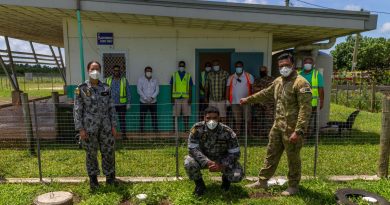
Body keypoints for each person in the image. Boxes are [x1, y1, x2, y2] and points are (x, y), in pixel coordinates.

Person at [241, 53, 312, 196]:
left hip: (292, 129)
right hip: (277, 127)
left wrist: (298, 131)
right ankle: (262, 181)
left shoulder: (301, 83)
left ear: (293, 65)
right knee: (271, 154)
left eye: (286, 65)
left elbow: (305, 109)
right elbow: (265, 93)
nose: (284, 68)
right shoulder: (278, 81)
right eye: (281, 66)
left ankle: (293, 186)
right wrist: (248, 100)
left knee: (293, 158)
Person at [74, 61, 119, 190]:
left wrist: (114, 126)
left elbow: (111, 108)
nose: (95, 71)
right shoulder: (81, 89)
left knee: (109, 152)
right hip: (89, 128)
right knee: (91, 154)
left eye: (97, 69)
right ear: (88, 71)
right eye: (93, 69)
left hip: (106, 127)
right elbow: (77, 110)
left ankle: (110, 178)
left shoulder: (106, 88)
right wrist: (80, 129)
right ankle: (93, 180)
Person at [184, 106, 244, 196]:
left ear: (219, 118)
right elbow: (192, 149)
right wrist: (207, 162)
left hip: (222, 160)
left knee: (237, 175)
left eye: (215, 118)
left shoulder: (227, 131)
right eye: (208, 118)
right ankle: (200, 185)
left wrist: (221, 164)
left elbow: (235, 153)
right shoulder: (197, 129)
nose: (211, 121)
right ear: (204, 118)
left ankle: (226, 181)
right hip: (204, 159)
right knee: (189, 162)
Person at [226, 61, 254, 135]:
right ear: (235, 67)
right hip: (234, 102)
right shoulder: (231, 77)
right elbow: (227, 89)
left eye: (240, 66)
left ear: (242, 67)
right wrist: (227, 100)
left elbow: (252, 88)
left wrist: (253, 98)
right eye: (237, 67)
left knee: (248, 118)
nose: (239, 68)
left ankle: (250, 133)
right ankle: (238, 132)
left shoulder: (249, 76)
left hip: (246, 101)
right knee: (237, 118)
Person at [298, 57, 325, 137]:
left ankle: (306, 136)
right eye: (306, 63)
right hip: (299, 102)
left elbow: (321, 88)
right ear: (303, 64)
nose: (308, 64)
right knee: (300, 119)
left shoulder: (317, 74)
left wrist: (321, 101)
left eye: (310, 63)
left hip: (312, 103)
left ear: (313, 65)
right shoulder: (299, 74)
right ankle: (300, 135)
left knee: (308, 120)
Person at [106, 65, 131, 139]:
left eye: (117, 70)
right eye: (115, 70)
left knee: (122, 120)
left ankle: (124, 135)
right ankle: (111, 135)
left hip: (122, 104)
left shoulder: (124, 80)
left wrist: (128, 102)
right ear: (112, 71)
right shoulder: (108, 80)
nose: (116, 72)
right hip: (111, 104)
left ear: (120, 71)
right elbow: (105, 92)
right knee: (111, 120)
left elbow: (128, 92)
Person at [170, 61, 193, 131]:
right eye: (180, 65)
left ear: (185, 67)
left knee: (186, 114)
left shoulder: (188, 75)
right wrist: (172, 97)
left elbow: (190, 87)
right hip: (176, 98)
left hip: (186, 98)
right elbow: (171, 87)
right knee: (175, 114)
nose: (181, 67)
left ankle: (186, 129)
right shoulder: (174, 75)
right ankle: (174, 129)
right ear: (178, 66)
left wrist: (190, 98)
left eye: (183, 66)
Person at [252, 66, 275, 137]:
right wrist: (265, 89)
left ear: (267, 71)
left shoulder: (272, 79)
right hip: (258, 103)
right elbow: (254, 89)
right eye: (261, 71)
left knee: (269, 120)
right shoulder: (257, 80)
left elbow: (272, 89)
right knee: (259, 119)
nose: (262, 72)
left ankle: (269, 134)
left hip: (269, 103)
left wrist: (260, 89)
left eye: (264, 70)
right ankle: (260, 134)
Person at [137, 66, 159, 132]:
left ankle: (155, 131)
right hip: (143, 102)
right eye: (147, 71)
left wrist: (152, 97)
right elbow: (139, 90)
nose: (148, 72)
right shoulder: (140, 79)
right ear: (145, 72)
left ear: (151, 72)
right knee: (142, 117)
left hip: (153, 102)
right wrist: (145, 98)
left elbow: (157, 90)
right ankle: (141, 131)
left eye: (150, 71)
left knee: (154, 117)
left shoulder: (155, 80)